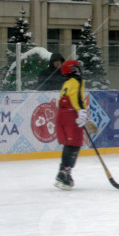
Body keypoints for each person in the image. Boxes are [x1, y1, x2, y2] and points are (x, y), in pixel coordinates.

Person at [54, 60, 89, 190]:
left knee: (69, 144)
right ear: (72, 69)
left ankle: (62, 172)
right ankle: (65, 173)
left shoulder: (67, 82)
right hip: (70, 114)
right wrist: (82, 112)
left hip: (61, 115)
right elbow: (77, 98)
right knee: (74, 144)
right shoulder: (77, 81)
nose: (80, 70)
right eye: (77, 67)